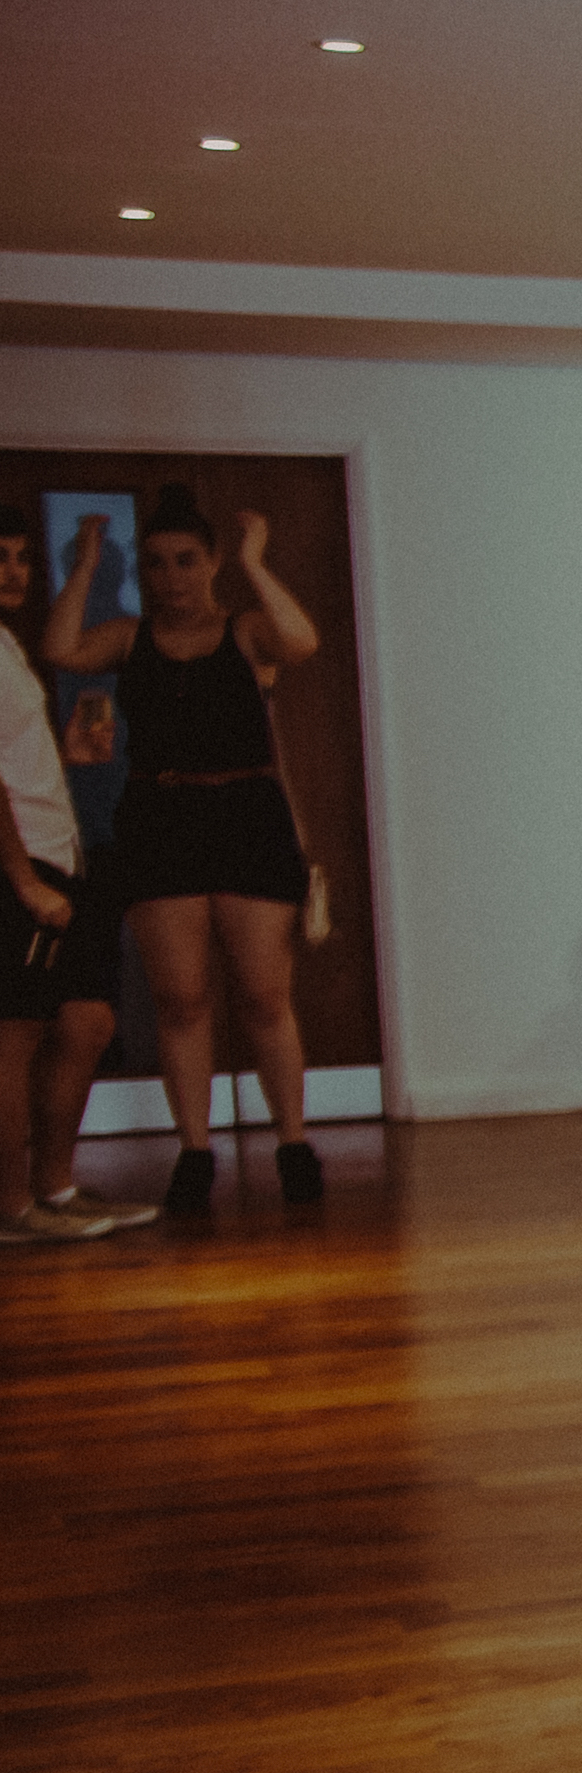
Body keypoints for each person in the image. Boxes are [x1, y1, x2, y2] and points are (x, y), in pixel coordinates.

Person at [40, 497, 326, 1217]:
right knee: (181, 1000)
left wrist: (256, 564)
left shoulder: (245, 630)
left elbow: (302, 642)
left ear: (212, 562)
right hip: (161, 820)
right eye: (157, 563)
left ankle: (292, 1143)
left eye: (187, 561)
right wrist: (87, 566)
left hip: (247, 817)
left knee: (264, 996)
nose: (171, 578)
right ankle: (195, 1151)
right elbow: (60, 649)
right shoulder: (128, 638)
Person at [6, 520, 143, 1242]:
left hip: (69, 857)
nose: (13, 571)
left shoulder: (8, 647)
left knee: (87, 1021)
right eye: (0, 557)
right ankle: (13, 1210)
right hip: (24, 867)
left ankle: (55, 1190)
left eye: (22, 557)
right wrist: (23, 880)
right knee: (16, 1035)